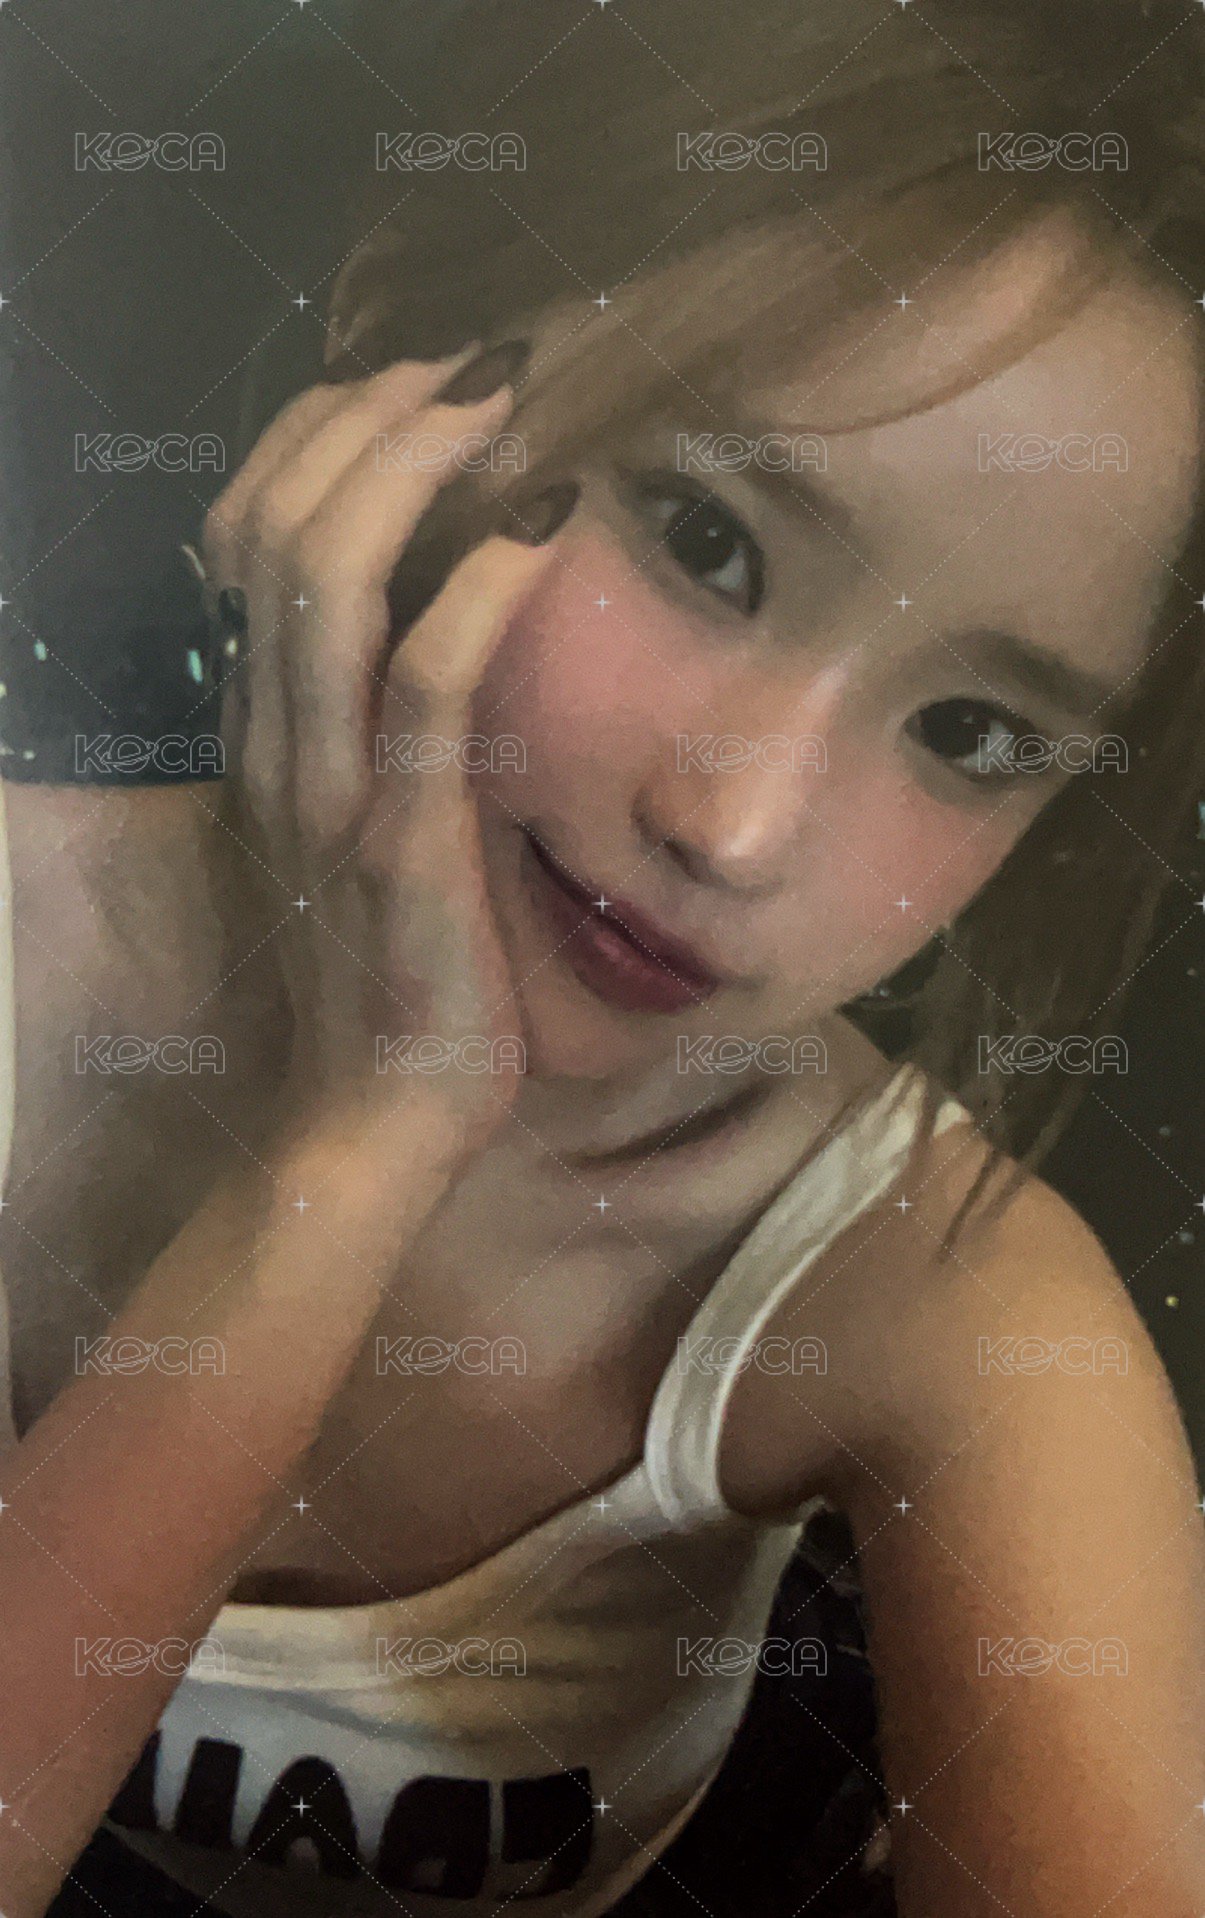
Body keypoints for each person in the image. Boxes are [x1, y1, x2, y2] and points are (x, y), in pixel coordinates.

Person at [0, 3, 1202, 1914]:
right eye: (706, 536)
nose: (738, 829)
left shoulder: (945, 1301)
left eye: (973, 733)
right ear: (402, 341)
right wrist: (350, 1163)